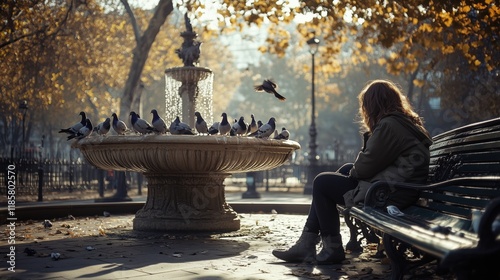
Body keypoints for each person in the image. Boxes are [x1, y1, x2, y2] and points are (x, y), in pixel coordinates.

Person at [272, 79, 433, 264]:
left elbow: (365, 166)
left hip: (388, 193)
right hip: (400, 189)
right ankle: (307, 244)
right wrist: (355, 169)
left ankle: (328, 248)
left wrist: (360, 162)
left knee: (322, 182)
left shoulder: (389, 125)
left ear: (373, 104)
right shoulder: (404, 124)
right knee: (344, 170)